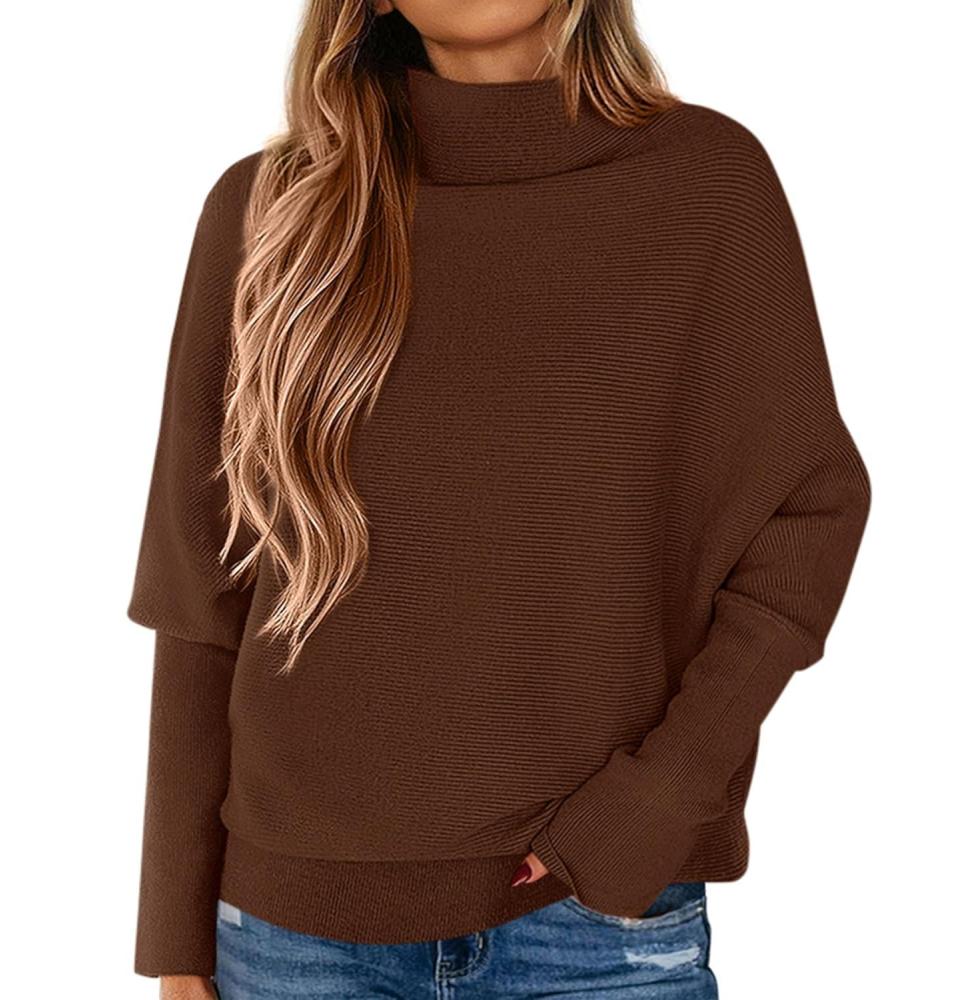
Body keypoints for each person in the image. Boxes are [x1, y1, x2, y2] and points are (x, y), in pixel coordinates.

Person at [126, 1, 872, 997]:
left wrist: (661, 796)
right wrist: (175, 944)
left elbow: (806, 520)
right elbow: (199, 591)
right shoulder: (271, 210)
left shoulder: (705, 183)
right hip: (294, 938)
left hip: (593, 925)